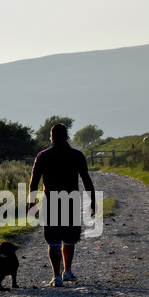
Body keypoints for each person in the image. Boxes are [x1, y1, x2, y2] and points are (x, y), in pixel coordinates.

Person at [28, 123, 96, 287]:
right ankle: (67, 271)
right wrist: (93, 199)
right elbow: (86, 179)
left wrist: (32, 203)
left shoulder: (43, 156)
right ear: (66, 136)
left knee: (53, 240)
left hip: (50, 200)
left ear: (51, 137)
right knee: (69, 239)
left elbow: (34, 183)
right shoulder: (77, 155)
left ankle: (56, 276)